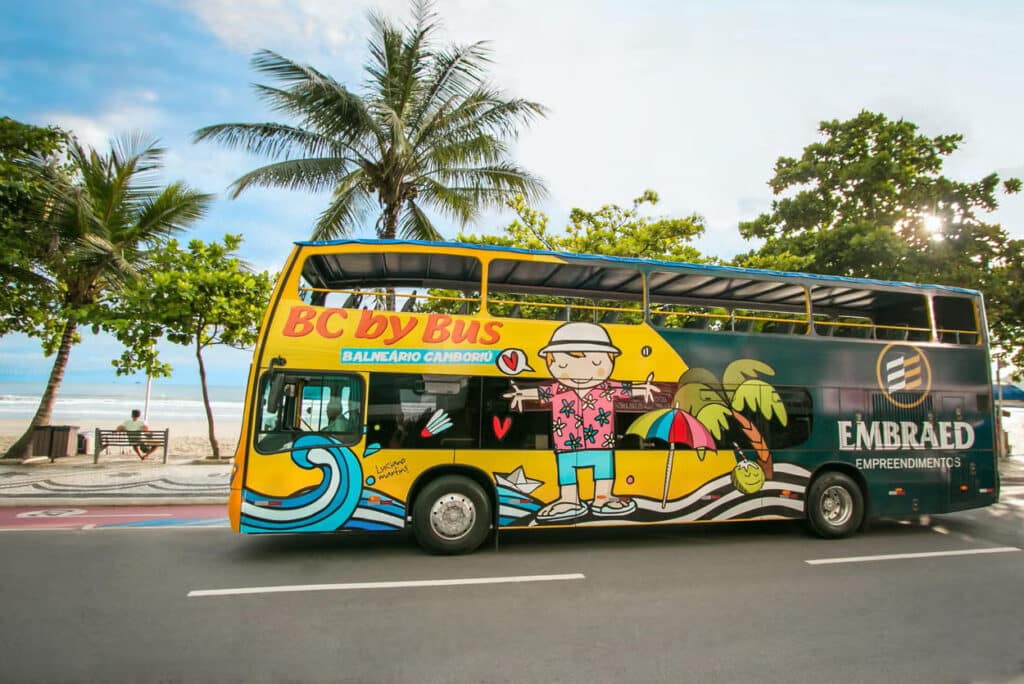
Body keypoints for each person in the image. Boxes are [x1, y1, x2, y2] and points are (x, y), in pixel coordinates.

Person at [503, 322, 660, 522]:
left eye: (596, 364)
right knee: (567, 471)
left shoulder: (606, 388)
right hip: (567, 443)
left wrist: (643, 388)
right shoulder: (558, 390)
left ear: (610, 361)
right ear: (551, 364)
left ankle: (602, 499)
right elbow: (540, 392)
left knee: (603, 470)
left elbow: (626, 389)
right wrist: (522, 394)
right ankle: (569, 501)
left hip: (601, 443)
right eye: (562, 365)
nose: (582, 373)